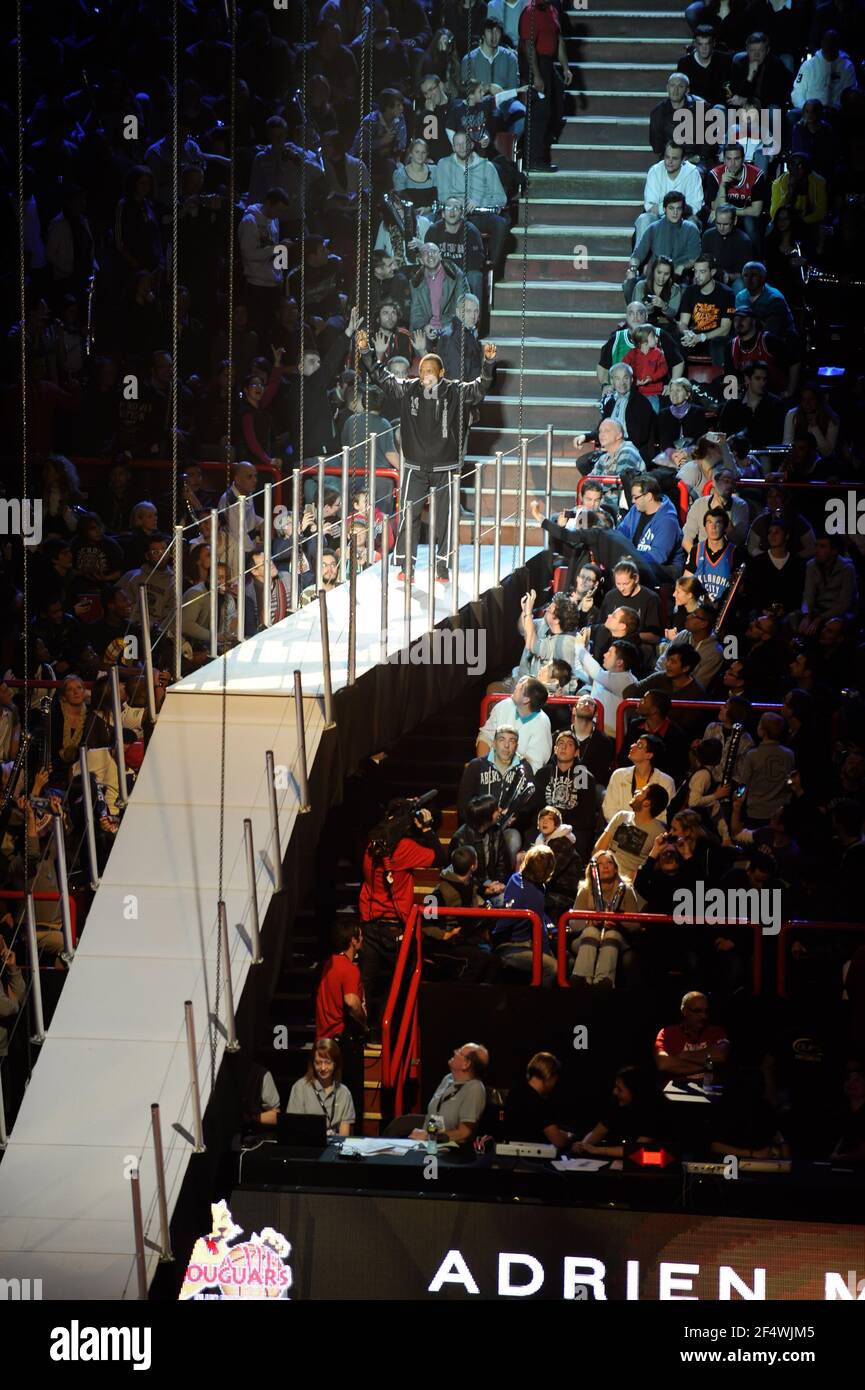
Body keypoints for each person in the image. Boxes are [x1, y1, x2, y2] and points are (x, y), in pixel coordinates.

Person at [357, 324, 495, 581]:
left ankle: (442, 567)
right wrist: (366, 351)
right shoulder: (408, 388)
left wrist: (488, 363)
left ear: (441, 373)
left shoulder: (455, 390)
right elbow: (379, 376)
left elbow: (480, 387)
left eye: (431, 371)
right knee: (410, 515)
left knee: (445, 518)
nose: (426, 375)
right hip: (415, 467)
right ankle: (406, 567)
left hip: (446, 467)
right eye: (422, 371)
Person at [358, 797, 446, 1023]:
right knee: (402, 978)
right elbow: (440, 856)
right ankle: (381, 1029)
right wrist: (426, 829)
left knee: (366, 981)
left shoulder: (371, 845)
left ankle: (361, 1029)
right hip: (393, 925)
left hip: (369, 923)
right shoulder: (403, 849)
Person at [457, 724, 535, 861]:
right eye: (502, 740)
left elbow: (529, 804)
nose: (506, 745)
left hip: (507, 828)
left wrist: (516, 817)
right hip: (478, 826)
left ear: (516, 745)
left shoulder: (525, 768)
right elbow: (464, 803)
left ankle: (503, 881)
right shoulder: (476, 766)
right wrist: (484, 818)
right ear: (494, 743)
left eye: (511, 741)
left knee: (513, 839)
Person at [315, 920, 367, 1118]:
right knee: (350, 1104)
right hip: (341, 1044)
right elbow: (352, 1002)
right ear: (353, 941)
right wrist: (364, 1022)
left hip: (322, 1041)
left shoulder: (326, 965)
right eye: (360, 936)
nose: (362, 939)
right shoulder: (349, 969)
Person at [424, 846, 491, 982]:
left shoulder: (469, 882)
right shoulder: (438, 894)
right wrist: (445, 935)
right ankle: (457, 995)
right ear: (473, 866)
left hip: (467, 939)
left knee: (493, 960)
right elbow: (425, 924)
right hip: (445, 945)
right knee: (481, 960)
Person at [519, 0, 572, 172]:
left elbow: (559, 39)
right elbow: (529, 46)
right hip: (535, 63)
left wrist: (565, 68)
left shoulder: (553, 11)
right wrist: (537, 76)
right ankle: (533, 160)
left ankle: (545, 145)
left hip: (548, 63)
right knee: (539, 112)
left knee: (556, 105)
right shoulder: (530, 12)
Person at [496, 843, 558, 984]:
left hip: (511, 940)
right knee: (553, 967)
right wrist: (547, 953)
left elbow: (539, 915)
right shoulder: (534, 893)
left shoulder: (515, 877)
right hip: (512, 946)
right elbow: (539, 930)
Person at [409, 1042, 490, 1145]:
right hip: (427, 1145)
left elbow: (464, 1134)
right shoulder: (448, 1079)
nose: (455, 1052)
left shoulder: (475, 1089)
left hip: (450, 1153)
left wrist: (429, 1136)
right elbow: (435, 1116)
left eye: (459, 1051)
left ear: (466, 1064)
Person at [572, 1066, 665, 1155]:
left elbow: (636, 1150)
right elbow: (599, 1131)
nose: (614, 1092)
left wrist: (597, 1150)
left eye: (619, 1089)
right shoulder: (618, 1105)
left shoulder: (655, 1111)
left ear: (636, 1092)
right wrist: (583, 1145)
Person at [595, 783, 671, 889]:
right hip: (605, 876)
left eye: (642, 792)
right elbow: (599, 849)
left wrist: (632, 880)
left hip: (630, 885)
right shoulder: (621, 816)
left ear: (647, 803)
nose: (636, 792)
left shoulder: (659, 831)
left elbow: (657, 865)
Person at [476, 676, 553, 773]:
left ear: (526, 700)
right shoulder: (504, 705)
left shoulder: (542, 723)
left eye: (521, 686)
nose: (517, 686)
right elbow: (486, 737)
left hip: (520, 780)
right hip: (491, 771)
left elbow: (533, 765)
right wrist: (483, 769)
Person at [634, 143, 704, 246]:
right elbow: (650, 207)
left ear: (683, 159)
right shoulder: (655, 171)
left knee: (691, 224)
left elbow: (694, 206)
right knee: (644, 219)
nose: (669, 162)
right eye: (667, 157)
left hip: (684, 218)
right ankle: (639, 259)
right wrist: (678, 207)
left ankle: (685, 261)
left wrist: (665, 208)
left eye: (674, 158)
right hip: (659, 219)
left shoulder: (692, 172)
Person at [653, 991, 730, 1082]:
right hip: (676, 1091)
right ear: (684, 1011)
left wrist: (682, 1056)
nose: (703, 1016)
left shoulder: (716, 1031)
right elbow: (664, 1063)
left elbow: (721, 1055)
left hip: (709, 1088)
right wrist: (708, 1064)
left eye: (706, 1011)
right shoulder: (667, 1033)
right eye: (697, 1011)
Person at [502, 1052, 574, 1148]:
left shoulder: (514, 1092)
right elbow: (558, 1142)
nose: (554, 1085)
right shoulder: (539, 1103)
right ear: (549, 1076)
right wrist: (569, 1137)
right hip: (531, 1160)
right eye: (555, 1080)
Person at [286, 1038, 355, 1137]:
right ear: (312, 1064)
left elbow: (344, 1136)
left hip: (334, 1147)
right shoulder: (300, 1088)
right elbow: (293, 1128)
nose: (323, 1068)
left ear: (335, 1064)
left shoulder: (344, 1092)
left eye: (327, 1062)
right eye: (318, 1063)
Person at [628, 192, 701, 283]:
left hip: (679, 277)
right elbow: (638, 255)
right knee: (630, 284)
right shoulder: (653, 228)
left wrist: (683, 266)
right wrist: (633, 269)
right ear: (664, 209)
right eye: (671, 208)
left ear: (682, 210)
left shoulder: (691, 229)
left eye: (678, 209)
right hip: (656, 277)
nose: (675, 213)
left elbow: (695, 258)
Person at [677, 254, 735, 367]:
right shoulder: (690, 291)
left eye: (702, 272)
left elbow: (725, 329)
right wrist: (686, 333)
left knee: (718, 344)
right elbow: (683, 323)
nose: (697, 276)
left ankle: (721, 381)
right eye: (696, 271)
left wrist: (702, 337)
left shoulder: (726, 293)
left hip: (715, 337)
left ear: (712, 272)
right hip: (695, 336)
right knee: (678, 342)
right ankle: (679, 382)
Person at [602, 735, 676, 820]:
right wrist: (628, 825)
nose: (632, 746)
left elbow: (664, 817)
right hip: (619, 829)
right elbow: (609, 809)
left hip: (651, 831)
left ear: (649, 755)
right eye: (635, 743)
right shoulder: (618, 775)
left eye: (639, 745)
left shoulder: (666, 782)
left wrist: (642, 827)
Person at [530, 805, 584, 921]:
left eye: (549, 819)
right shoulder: (542, 842)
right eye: (542, 819)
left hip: (565, 894)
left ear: (556, 824)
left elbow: (548, 872)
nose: (545, 821)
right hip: (550, 890)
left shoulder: (561, 843)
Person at [707, 143, 766, 248]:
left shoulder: (756, 174)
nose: (732, 164)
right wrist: (722, 186)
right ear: (724, 160)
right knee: (713, 222)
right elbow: (715, 208)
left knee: (750, 223)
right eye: (729, 159)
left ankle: (756, 259)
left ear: (743, 159)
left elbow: (756, 211)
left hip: (746, 216)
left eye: (737, 159)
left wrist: (732, 212)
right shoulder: (715, 174)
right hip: (729, 215)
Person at [685, 509, 739, 605]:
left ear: (726, 527)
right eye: (709, 522)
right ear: (705, 527)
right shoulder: (696, 550)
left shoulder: (735, 553)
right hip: (699, 608)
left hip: (722, 609)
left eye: (718, 523)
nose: (713, 527)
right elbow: (686, 582)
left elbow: (739, 589)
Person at [701, 204, 755, 295]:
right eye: (718, 223)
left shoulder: (743, 240)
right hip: (711, 277)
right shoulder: (707, 236)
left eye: (725, 224)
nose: (721, 228)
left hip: (733, 280)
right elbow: (703, 261)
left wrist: (729, 277)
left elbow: (746, 273)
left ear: (735, 221)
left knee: (740, 285)